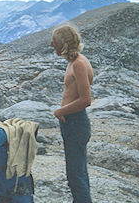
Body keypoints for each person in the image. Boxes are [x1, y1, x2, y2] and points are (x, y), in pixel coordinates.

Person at [51, 25, 93, 203]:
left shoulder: (78, 64)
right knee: (77, 173)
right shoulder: (74, 61)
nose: (51, 44)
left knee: (76, 176)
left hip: (76, 123)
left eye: (55, 41)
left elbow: (85, 100)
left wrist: (60, 111)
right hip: (72, 123)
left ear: (63, 43)